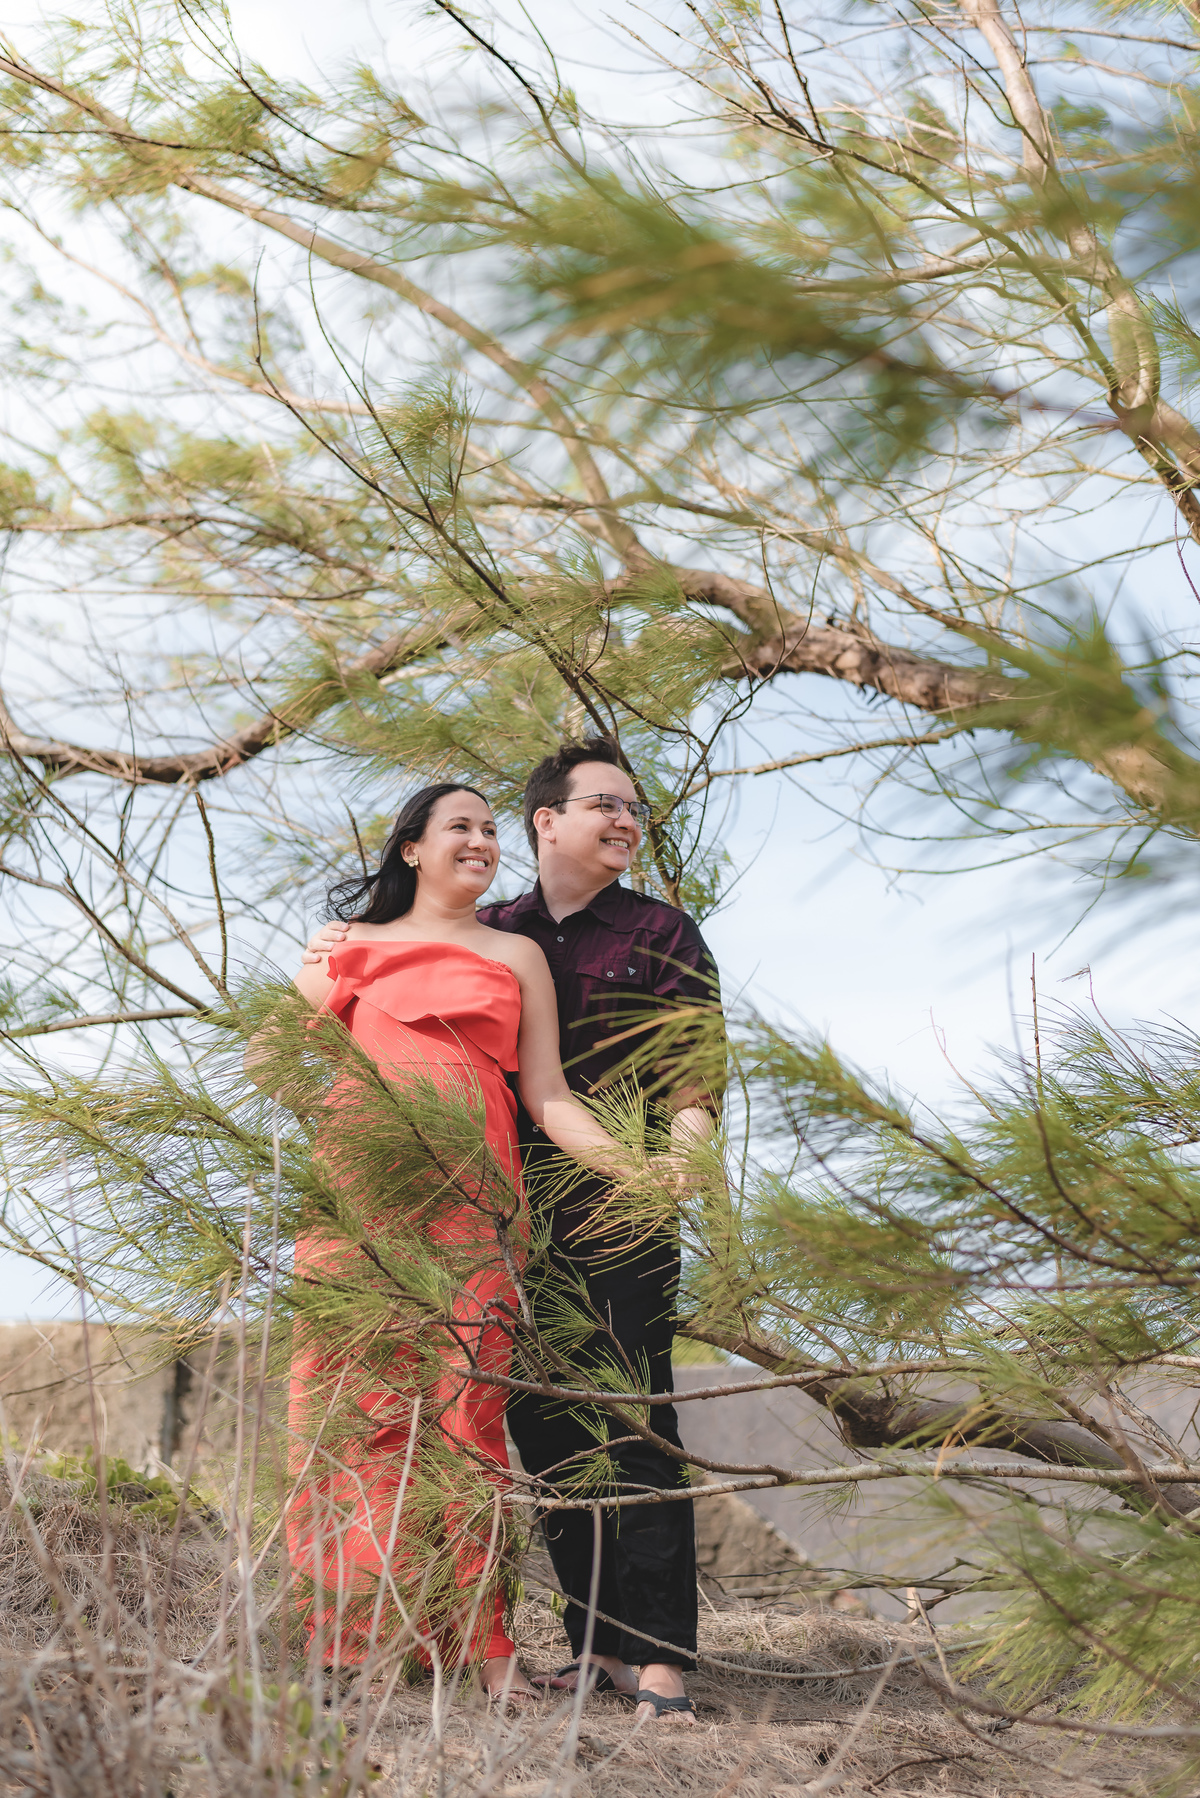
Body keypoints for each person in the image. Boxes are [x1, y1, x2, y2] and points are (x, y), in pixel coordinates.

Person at [307, 740, 724, 1725]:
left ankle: (654, 1660)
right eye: (605, 805)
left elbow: (668, 1078)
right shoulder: (481, 927)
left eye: (634, 809)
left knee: (629, 1423)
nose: (626, 822)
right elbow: (316, 1054)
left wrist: (671, 1166)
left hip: (601, 1213)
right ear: (552, 820)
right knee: (526, 1430)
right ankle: (578, 1645)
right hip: (457, 1208)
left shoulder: (660, 932)